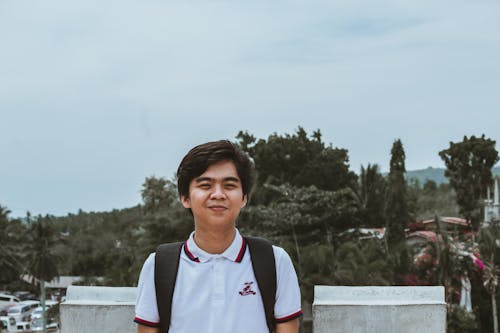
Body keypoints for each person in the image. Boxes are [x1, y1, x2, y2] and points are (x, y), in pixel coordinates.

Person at [134, 140, 302, 333]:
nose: (218, 194)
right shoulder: (158, 266)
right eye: (205, 185)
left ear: (244, 197)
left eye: (229, 185)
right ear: (185, 197)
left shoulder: (275, 261)